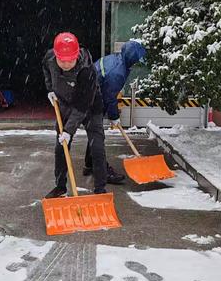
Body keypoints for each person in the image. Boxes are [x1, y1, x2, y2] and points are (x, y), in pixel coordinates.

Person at [43, 32, 107, 198]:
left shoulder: (87, 71)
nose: (66, 64)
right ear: (56, 55)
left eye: (70, 60)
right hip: (64, 104)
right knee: (61, 148)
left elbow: (82, 105)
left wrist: (68, 131)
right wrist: (50, 89)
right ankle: (60, 187)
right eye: (62, 60)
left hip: (90, 106)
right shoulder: (49, 58)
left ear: (76, 55)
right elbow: (46, 69)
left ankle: (100, 189)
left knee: (97, 147)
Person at [83, 40, 146, 178]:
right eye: (136, 60)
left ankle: (89, 164)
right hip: (91, 99)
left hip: (91, 94)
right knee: (98, 135)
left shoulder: (116, 59)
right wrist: (114, 116)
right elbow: (110, 97)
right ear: (131, 59)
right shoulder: (118, 72)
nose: (137, 63)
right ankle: (102, 171)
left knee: (95, 133)